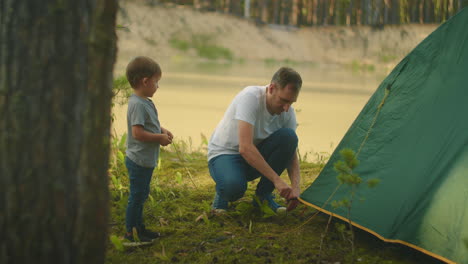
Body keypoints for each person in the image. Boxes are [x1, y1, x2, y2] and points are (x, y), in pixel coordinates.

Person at [208, 67, 302, 214]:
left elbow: (291, 152)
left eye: (291, 102)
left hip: (253, 156)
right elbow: (245, 148)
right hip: (225, 154)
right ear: (271, 88)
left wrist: (296, 188)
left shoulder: (288, 111)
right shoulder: (250, 97)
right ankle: (222, 193)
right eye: (283, 100)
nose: (286, 108)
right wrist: (277, 180)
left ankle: (262, 198)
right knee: (233, 189)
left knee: (289, 137)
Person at [124, 56, 173, 242]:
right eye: (156, 82)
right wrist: (159, 138)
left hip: (145, 159)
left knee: (142, 195)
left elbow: (150, 124)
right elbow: (137, 133)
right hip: (138, 160)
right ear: (145, 81)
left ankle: (139, 228)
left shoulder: (145, 101)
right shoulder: (137, 104)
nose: (157, 86)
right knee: (136, 197)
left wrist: (162, 130)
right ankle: (130, 234)